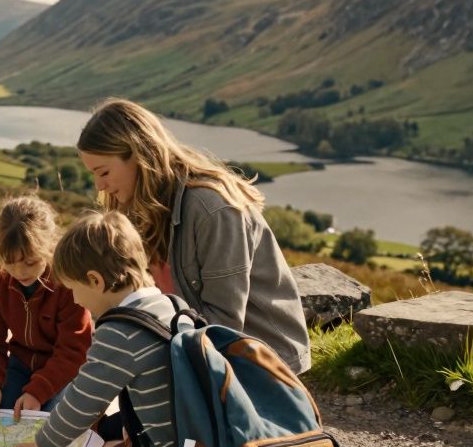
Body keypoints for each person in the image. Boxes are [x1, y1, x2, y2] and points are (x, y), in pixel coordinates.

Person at [76, 98, 310, 373]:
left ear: (139, 156)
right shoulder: (137, 209)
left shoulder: (213, 210)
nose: (99, 185)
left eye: (103, 172)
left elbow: (224, 327)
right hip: (190, 352)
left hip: (258, 366)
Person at [7, 210, 193, 447]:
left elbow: (83, 402)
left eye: (75, 289)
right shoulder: (171, 304)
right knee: (108, 426)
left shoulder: (120, 331)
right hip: (191, 433)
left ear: (95, 280)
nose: (76, 301)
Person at [0, 196, 91, 419]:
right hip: (20, 364)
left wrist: (37, 392)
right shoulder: (1, 281)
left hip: (63, 372)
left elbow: (73, 351)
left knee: (47, 426)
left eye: (30, 262)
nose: (20, 272)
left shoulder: (68, 284)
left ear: (48, 247)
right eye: (10, 261)